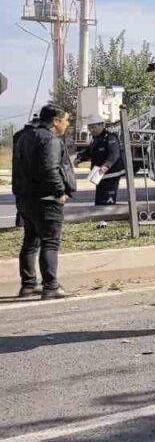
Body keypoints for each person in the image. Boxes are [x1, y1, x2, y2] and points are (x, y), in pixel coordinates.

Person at [12, 105, 75, 299]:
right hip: (46, 199)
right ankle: (50, 286)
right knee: (50, 242)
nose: (67, 124)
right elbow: (50, 168)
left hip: (25, 198)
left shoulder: (23, 137)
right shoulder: (50, 140)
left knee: (30, 242)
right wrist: (59, 192)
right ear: (55, 121)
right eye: (65, 120)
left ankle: (28, 285)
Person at [77, 116, 125, 205]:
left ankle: (107, 212)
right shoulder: (95, 139)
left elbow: (114, 154)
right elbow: (89, 152)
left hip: (111, 175)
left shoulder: (110, 137)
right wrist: (80, 158)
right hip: (100, 175)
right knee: (99, 201)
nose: (91, 130)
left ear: (102, 125)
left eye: (93, 127)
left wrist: (106, 165)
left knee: (107, 202)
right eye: (89, 128)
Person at [11, 114, 38, 229]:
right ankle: (27, 223)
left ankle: (20, 222)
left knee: (21, 199)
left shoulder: (18, 135)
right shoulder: (36, 135)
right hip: (32, 173)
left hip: (18, 173)